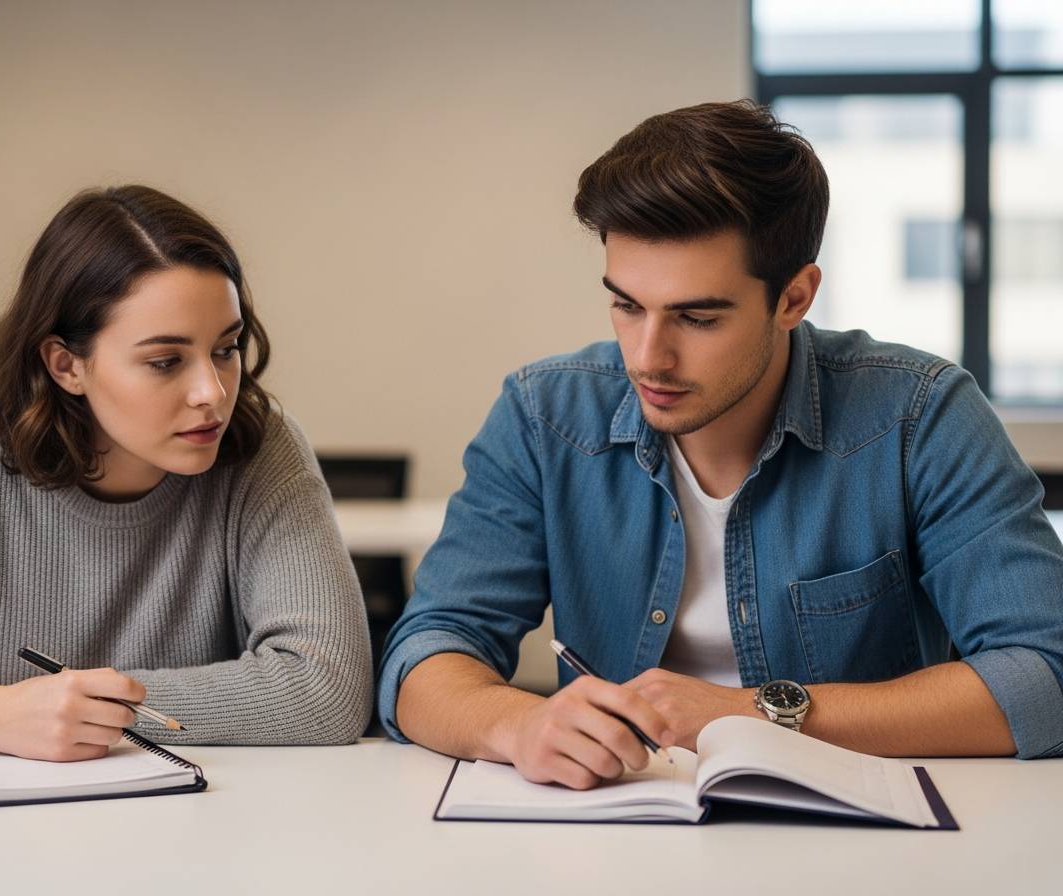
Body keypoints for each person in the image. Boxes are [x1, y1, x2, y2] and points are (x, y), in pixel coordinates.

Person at [379, 100, 1063, 789]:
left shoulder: (920, 416)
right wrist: (516, 724)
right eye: (626, 305)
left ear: (793, 298)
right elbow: (426, 656)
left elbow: (1046, 672)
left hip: (858, 843)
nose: (648, 358)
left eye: (697, 317)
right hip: (615, 837)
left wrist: (749, 716)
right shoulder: (543, 417)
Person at [0, 185, 373, 760]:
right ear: (66, 365)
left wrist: (84, 711)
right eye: (165, 361)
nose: (212, 393)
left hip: (196, 832)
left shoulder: (260, 448)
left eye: (226, 347)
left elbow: (327, 690)